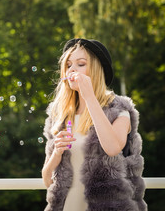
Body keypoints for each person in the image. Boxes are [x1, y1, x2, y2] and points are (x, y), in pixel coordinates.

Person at [41, 38, 147, 211]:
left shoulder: (119, 110)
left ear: (97, 71)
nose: (72, 69)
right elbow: (48, 181)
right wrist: (56, 155)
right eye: (68, 65)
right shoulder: (59, 116)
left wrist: (89, 96)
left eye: (80, 64)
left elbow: (112, 148)